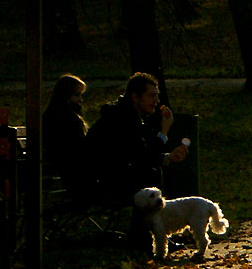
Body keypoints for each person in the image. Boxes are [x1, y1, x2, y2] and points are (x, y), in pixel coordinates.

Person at [85, 72, 188, 207]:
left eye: (157, 95)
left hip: (110, 179)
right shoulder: (121, 119)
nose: (156, 101)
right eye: (151, 96)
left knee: (153, 173)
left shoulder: (128, 116)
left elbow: (141, 154)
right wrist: (164, 132)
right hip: (105, 185)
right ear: (135, 97)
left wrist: (168, 157)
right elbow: (143, 157)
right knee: (152, 174)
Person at [42, 73, 90, 195]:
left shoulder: (53, 114)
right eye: (77, 95)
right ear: (66, 95)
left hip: (64, 171)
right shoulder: (68, 119)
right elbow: (79, 149)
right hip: (72, 174)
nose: (81, 100)